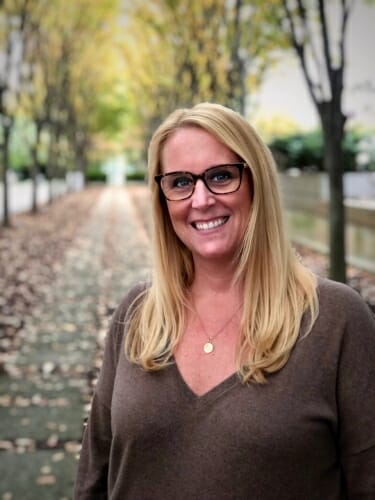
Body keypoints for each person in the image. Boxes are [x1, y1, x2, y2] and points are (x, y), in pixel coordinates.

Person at [73, 102, 375, 499]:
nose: (200, 199)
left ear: (257, 183)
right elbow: (92, 478)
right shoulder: (136, 314)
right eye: (180, 182)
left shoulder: (337, 320)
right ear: (163, 198)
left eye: (220, 176)